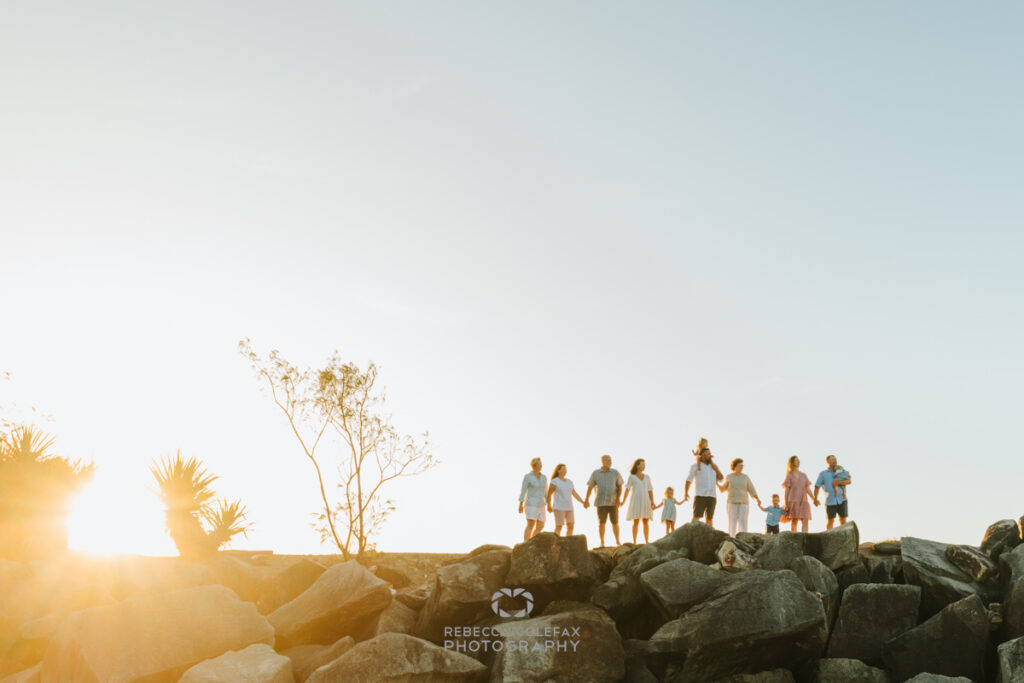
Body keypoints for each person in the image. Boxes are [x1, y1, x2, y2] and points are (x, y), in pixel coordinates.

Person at [585, 454, 625, 547]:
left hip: (613, 502)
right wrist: (587, 499)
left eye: (610, 460)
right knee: (602, 522)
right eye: (607, 460)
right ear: (602, 461)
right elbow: (590, 486)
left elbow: (620, 486)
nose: (609, 461)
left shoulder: (615, 472)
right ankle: (602, 542)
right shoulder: (596, 473)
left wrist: (618, 498)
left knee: (615, 522)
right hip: (600, 502)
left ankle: (618, 541)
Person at [717, 458, 762, 537]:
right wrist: (716, 482)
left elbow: (751, 488)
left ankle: (743, 538)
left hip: (743, 502)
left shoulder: (745, 477)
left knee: (743, 521)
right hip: (732, 502)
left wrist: (757, 498)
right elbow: (722, 489)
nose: (742, 467)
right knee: (732, 521)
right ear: (735, 466)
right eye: (740, 465)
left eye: (742, 466)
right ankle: (732, 538)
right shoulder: (729, 477)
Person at [684, 446, 724, 525]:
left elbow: (721, 478)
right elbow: (689, 480)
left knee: (709, 518)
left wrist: (716, 469)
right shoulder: (695, 466)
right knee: (696, 517)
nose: (710, 455)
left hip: (712, 496)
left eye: (710, 454)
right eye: (708, 454)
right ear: (702, 455)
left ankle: (709, 536)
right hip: (700, 495)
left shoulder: (713, 466)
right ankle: (692, 535)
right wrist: (686, 492)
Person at [546, 463, 588, 536]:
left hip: (569, 507)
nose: (565, 471)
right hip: (559, 507)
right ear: (558, 471)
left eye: (566, 469)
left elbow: (574, 493)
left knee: (571, 526)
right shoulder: (555, 481)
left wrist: (583, 502)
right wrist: (548, 505)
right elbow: (549, 494)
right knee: (559, 526)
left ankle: (568, 543)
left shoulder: (569, 482)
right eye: (563, 469)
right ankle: (556, 544)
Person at [620, 458, 655, 544]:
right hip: (636, 500)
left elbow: (650, 490)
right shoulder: (632, 477)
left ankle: (647, 541)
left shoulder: (647, 477)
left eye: (644, 464)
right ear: (637, 465)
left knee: (646, 521)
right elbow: (627, 489)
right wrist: (623, 501)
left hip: (646, 500)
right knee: (636, 521)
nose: (644, 466)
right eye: (642, 464)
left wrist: (652, 502)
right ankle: (634, 541)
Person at [814, 454, 852, 529]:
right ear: (827, 461)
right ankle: (828, 538)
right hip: (830, 501)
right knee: (830, 520)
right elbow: (817, 486)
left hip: (842, 499)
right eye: (832, 459)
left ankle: (844, 538)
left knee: (843, 519)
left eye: (835, 459)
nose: (835, 461)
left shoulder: (840, 471)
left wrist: (838, 482)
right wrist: (815, 498)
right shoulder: (823, 474)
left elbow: (849, 481)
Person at [781, 455, 816, 533]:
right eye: (796, 460)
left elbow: (807, 488)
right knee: (794, 521)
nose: (798, 461)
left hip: (804, 501)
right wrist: (786, 503)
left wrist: (814, 499)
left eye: (798, 460)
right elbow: (786, 490)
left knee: (805, 520)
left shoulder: (804, 475)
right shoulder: (789, 475)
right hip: (793, 500)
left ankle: (805, 538)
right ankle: (795, 538)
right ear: (792, 463)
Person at [518, 457, 547, 541]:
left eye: (541, 464)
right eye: (539, 464)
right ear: (534, 466)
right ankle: (526, 543)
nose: (541, 466)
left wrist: (548, 502)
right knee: (531, 524)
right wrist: (520, 504)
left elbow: (546, 490)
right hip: (531, 504)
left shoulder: (544, 477)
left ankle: (532, 541)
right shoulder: (528, 477)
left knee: (541, 525)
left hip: (541, 504)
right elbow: (523, 491)